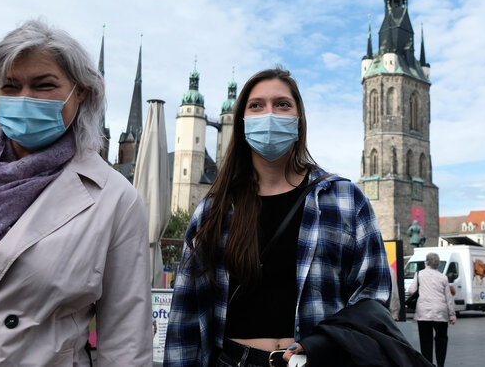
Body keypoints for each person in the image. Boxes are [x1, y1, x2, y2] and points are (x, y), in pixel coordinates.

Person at [0, 20, 152, 365]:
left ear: (81, 92)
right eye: (11, 86)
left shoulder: (115, 198)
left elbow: (125, 343)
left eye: (44, 85)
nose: (25, 98)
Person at [164, 68, 402, 367]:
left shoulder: (343, 198)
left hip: (317, 360)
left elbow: (372, 292)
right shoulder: (215, 209)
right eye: (257, 105)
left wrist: (325, 343)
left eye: (282, 104)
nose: (270, 114)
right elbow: (186, 309)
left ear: (299, 119)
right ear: (241, 121)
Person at [407, 252, 456, 367]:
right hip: (441, 313)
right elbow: (448, 298)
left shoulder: (419, 274)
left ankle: (428, 364)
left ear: (427, 262)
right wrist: (452, 316)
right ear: (438, 265)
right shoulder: (443, 277)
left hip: (424, 313)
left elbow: (411, 290)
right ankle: (440, 364)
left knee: (425, 341)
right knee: (441, 340)